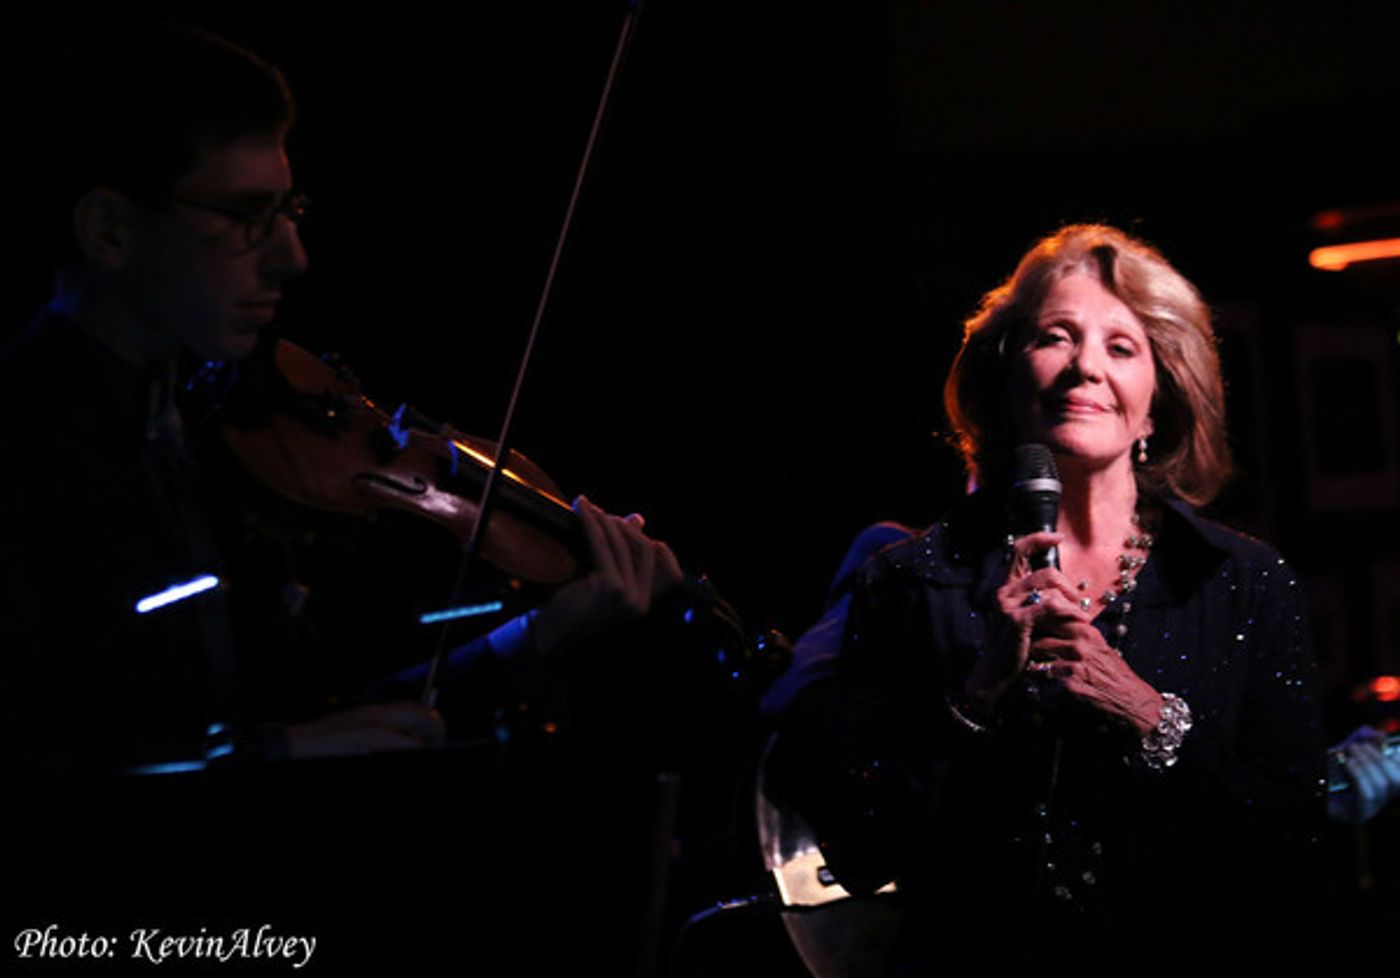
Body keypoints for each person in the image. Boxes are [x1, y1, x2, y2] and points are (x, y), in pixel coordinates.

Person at [0, 22, 682, 776]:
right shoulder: (19, 452)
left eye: (290, 211)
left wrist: (541, 636)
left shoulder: (208, 434)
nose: (292, 258)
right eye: (244, 216)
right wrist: (268, 754)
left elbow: (340, 727)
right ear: (109, 231)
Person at [768, 225, 1329, 976]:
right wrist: (976, 697)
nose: (1085, 369)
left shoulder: (1242, 583)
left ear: (1157, 403)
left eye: (1121, 348)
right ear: (1006, 381)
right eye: (1056, 338)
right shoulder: (909, 580)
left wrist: (1150, 717)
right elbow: (863, 854)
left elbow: (1298, 850)